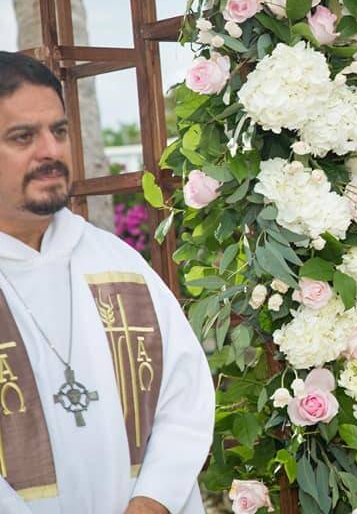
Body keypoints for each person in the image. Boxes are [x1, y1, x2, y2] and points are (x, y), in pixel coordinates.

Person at [0, 52, 215, 514]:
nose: (51, 152)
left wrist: (150, 503)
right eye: (23, 137)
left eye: (59, 131)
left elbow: (185, 397)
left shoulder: (116, 263)